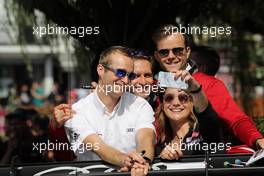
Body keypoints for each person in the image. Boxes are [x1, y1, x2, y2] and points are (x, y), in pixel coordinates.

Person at [152, 24, 264, 149]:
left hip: (202, 160)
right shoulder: (150, 85)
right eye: (164, 52)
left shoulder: (209, 84)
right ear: (157, 56)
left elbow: (236, 120)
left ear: (187, 52)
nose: (171, 56)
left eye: (178, 50)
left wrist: (258, 140)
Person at [64, 46, 155, 175]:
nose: (125, 80)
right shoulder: (76, 112)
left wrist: (143, 161)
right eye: (120, 73)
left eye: (130, 75)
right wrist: (126, 160)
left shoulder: (140, 105)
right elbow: (101, 149)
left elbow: (146, 137)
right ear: (100, 69)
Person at [156, 88, 223, 160]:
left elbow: (208, 115)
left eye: (183, 98)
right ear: (163, 105)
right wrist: (162, 160)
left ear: (192, 103)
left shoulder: (205, 130)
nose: (176, 103)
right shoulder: (159, 145)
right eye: (169, 98)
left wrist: (195, 87)